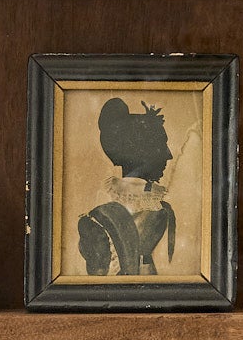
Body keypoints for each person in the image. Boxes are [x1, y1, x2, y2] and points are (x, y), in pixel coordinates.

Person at [77, 97, 194, 276]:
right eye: (162, 145)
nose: (169, 155)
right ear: (143, 152)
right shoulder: (159, 207)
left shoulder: (160, 207)